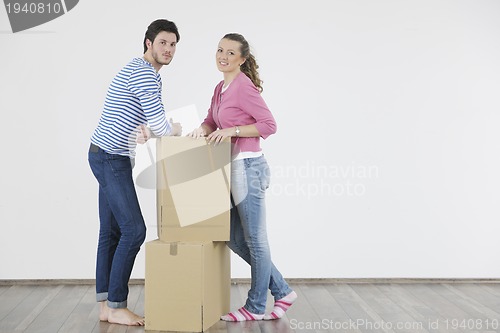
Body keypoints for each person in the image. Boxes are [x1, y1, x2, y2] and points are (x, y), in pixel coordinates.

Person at [187, 33, 297, 321]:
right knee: (234, 238)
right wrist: (203, 127)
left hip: (249, 168)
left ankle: (256, 307)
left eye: (231, 53)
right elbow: (213, 118)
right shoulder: (220, 88)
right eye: (220, 50)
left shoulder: (244, 87)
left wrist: (232, 131)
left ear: (243, 59)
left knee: (256, 240)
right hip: (230, 168)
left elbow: (268, 125)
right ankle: (282, 291)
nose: (223, 56)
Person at [88, 19, 182, 326]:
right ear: (148, 43)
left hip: (106, 155)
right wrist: (175, 129)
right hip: (109, 159)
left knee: (113, 232)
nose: (168, 49)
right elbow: (162, 125)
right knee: (135, 230)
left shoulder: (148, 75)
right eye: (163, 43)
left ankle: (106, 306)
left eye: (173, 44)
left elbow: (147, 126)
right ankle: (116, 304)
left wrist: (150, 134)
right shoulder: (143, 74)